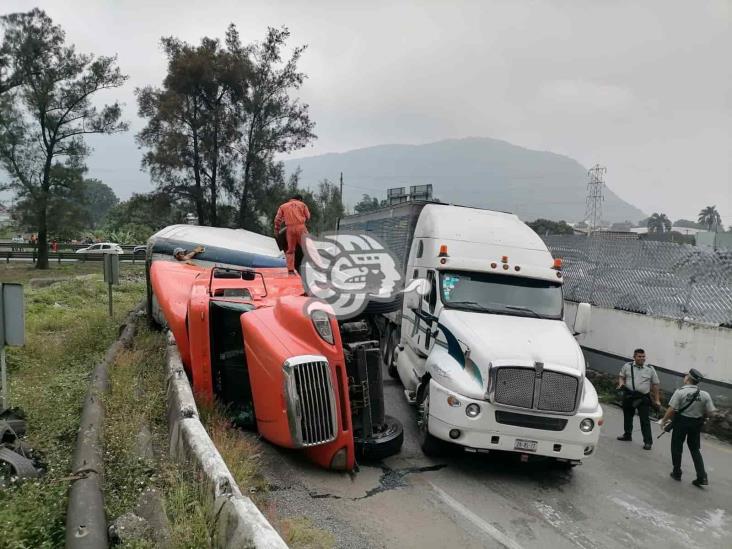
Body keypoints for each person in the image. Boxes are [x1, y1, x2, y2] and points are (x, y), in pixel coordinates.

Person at [661, 369, 715, 487]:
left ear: (688, 378)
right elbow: (711, 413)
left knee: (676, 447)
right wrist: (704, 420)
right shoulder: (705, 394)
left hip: (681, 423)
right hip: (696, 424)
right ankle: (702, 476)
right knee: (695, 449)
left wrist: (664, 421)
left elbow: (671, 410)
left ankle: (677, 472)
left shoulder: (680, 392)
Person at [617, 348, 661, 450]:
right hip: (629, 395)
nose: (642, 358)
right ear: (634, 357)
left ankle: (648, 442)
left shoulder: (650, 369)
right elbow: (621, 376)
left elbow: (655, 385)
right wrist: (621, 383)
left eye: (643, 357)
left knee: (644, 420)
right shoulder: (627, 366)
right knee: (627, 416)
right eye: (639, 357)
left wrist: (657, 399)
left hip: (643, 398)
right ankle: (627, 435)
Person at [274, 194, 311, 275]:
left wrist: (276, 230)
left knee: (290, 250)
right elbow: (308, 216)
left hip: (290, 229)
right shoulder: (303, 205)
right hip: (301, 227)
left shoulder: (283, 206)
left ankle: (290, 270)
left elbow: (277, 220)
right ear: (300, 199)